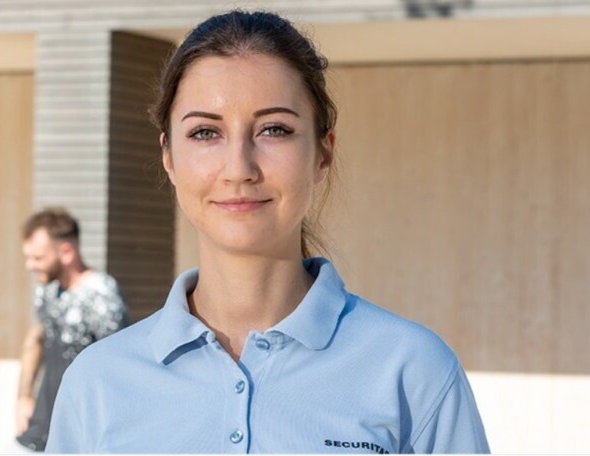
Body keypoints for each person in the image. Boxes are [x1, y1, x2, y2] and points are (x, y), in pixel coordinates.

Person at [46, 10, 490, 454]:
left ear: (322, 152)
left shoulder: (413, 372)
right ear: (169, 156)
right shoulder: (97, 383)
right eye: (205, 133)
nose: (238, 168)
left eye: (274, 129)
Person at [15, 208, 127, 452]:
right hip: (42, 425)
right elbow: (36, 339)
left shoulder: (100, 293)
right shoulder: (47, 290)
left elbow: (118, 364)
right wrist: (24, 396)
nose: (29, 266)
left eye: (37, 258)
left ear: (66, 251)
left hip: (83, 430)